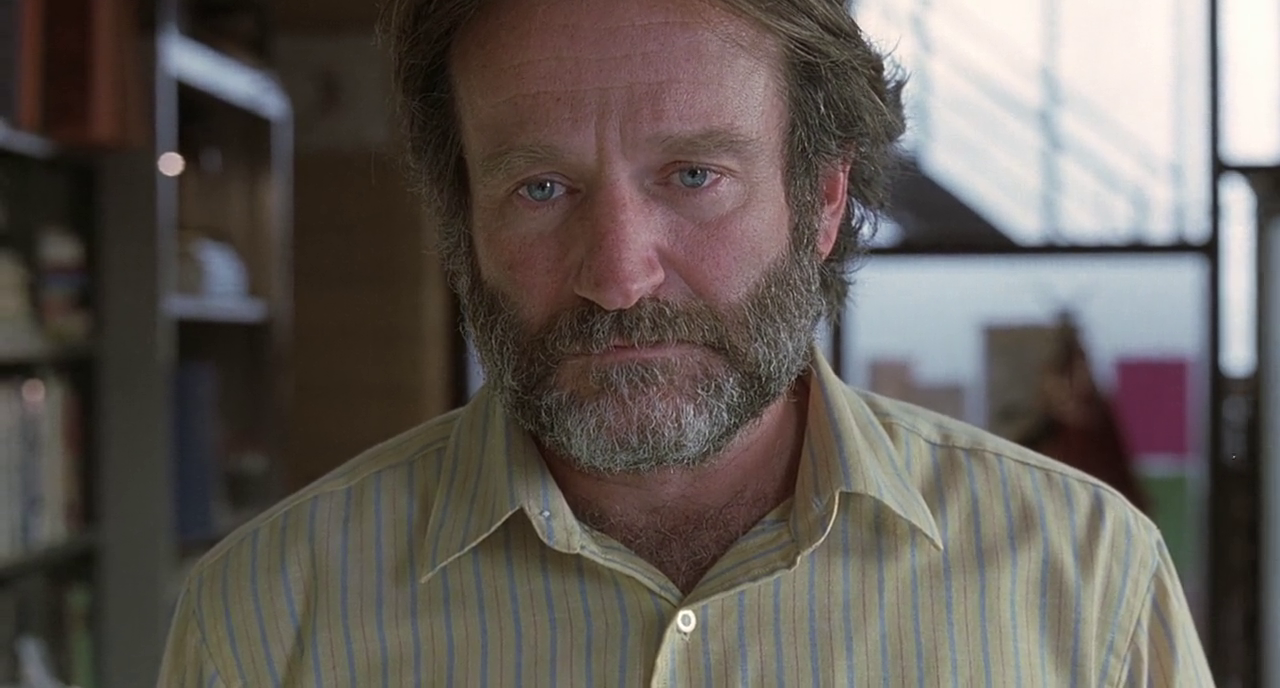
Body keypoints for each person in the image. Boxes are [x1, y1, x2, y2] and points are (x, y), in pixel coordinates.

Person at [158, 0, 1213, 684]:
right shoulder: (267, 620)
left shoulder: (1085, 581)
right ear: (462, 218)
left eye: (694, 176)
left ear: (823, 198)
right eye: (541, 188)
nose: (618, 276)